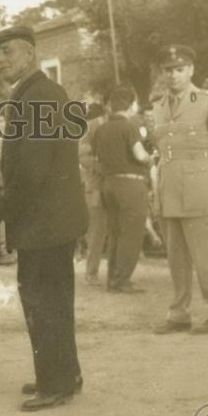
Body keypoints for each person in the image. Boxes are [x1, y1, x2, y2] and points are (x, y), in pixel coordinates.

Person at [0, 25, 88, 411]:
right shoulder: (36, 94)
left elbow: (32, 173)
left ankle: (55, 383)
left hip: (45, 222)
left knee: (44, 302)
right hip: (50, 221)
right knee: (55, 300)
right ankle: (63, 374)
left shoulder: (37, 97)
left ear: (28, 54)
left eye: (6, 52)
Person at [150, 45, 208, 335]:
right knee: (176, 257)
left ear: (191, 71)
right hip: (169, 188)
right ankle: (179, 313)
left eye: (179, 69)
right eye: (168, 70)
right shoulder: (159, 106)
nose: (173, 75)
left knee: (206, 256)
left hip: (202, 187)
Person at [92, 86, 152, 293]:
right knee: (131, 234)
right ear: (131, 104)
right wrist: (152, 158)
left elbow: (97, 157)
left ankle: (113, 279)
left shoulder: (101, 128)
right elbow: (140, 155)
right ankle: (122, 279)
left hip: (109, 183)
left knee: (115, 233)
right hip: (130, 184)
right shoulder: (130, 126)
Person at [79, 104, 108, 285]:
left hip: (101, 185)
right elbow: (81, 156)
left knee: (99, 231)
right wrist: (102, 166)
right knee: (97, 231)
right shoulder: (90, 128)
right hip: (95, 186)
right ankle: (91, 272)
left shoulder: (90, 127)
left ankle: (95, 272)